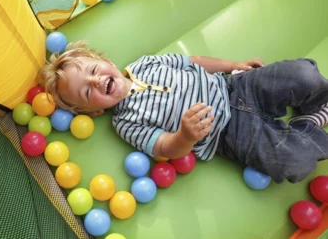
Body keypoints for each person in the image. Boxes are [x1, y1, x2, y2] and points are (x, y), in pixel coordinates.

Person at [41, 41, 328, 184]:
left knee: (302, 75)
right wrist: (186, 135)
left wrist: (234, 65)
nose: (95, 81)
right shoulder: (125, 123)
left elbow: (195, 61)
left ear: (105, 61)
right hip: (229, 135)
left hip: (237, 87)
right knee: (294, 163)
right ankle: (309, 123)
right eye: (87, 92)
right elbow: (166, 147)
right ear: (91, 112)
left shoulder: (145, 64)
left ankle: (317, 101)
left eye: (93, 70)